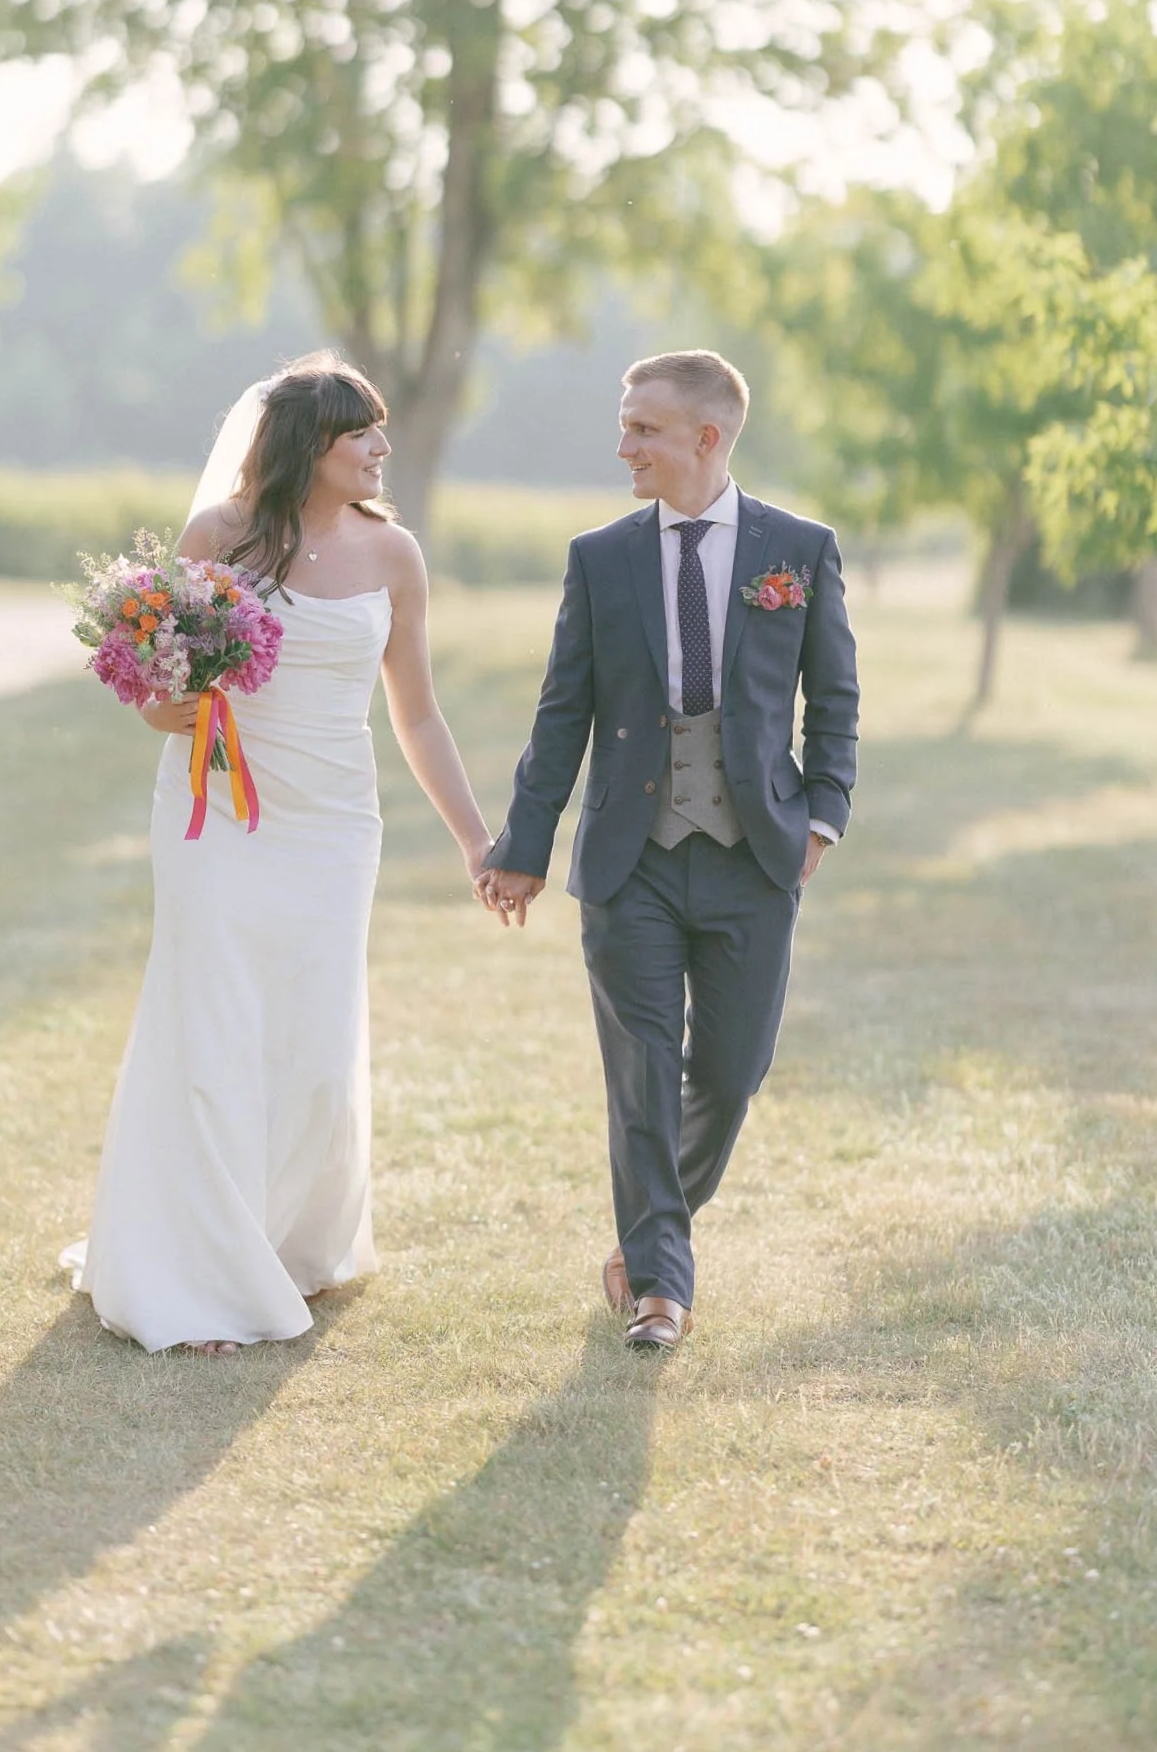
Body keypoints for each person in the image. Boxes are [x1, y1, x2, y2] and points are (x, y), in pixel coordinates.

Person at [64, 353, 495, 1354]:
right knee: (210, 1020)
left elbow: (419, 714)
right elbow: (159, 682)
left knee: (309, 1035)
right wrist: (160, 709)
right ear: (310, 445)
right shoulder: (219, 535)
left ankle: (289, 1237)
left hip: (334, 826)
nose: (382, 448)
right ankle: (200, 1270)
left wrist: (477, 834)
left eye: (383, 431)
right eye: (363, 434)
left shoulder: (396, 558)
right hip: (216, 813)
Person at [477, 350, 859, 1351]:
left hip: (756, 855)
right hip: (628, 858)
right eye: (624, 424)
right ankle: (658, 1285)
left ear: (707, 436)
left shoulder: (799, 549)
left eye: (643, 428)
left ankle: (651, 1234)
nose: (623, 446)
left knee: (729, 1074)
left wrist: (822, 813)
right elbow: (562, 713)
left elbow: (836, 698)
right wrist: (522, 841)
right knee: (642, 1069)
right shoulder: (600, 558)